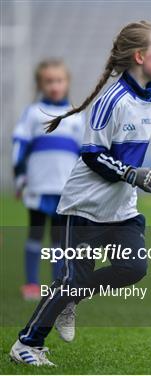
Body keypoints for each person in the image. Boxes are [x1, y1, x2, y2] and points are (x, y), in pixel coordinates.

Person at [10, 20, 151, 366]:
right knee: (72, 277)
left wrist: (134, 176)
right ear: (141, 57)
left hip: (122, 208)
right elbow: (93, 154)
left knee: (133, 268)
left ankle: (71, 300)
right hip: (84, 207)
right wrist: (132, 173)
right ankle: (26, 344)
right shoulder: (112, 100)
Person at [12, 59, 85, 301]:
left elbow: (84, 154)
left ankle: (58, 284)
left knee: (58, 239)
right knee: (35, 233)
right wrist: (19, 176)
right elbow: (19, 145)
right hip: (38, 186)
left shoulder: (75, 116)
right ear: (40, 84)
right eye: (49, 81)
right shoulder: (32, 114)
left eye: (59, 80)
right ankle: (32, 284)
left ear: (67, 82)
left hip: (65, 189)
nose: (54, 85)